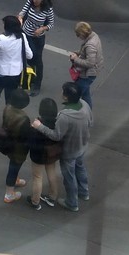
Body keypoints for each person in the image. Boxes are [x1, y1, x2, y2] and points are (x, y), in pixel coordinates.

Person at [28, 81, 92, 211]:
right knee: (80, 168)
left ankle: (72, 202)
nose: (61, 92)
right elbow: (91, 122)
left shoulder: (64, 116)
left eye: (63, 91)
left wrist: (40, 127)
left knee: (69, 177)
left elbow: (56, 135)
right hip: (83, 145)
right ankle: (84, 192)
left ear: (66, 97)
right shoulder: (85, 105)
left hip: (69, 150)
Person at [24, 97, 63, 210]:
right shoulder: (58, 123)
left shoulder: (37, 125)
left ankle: (35, 201)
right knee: (51, 173)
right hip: (51, 154)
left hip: (38, 155)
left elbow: (30, 141)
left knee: (37, 177)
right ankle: (52, 197)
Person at [0, 89, 32, 203]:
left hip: (7, 142)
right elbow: (25, 136)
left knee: (13, 165)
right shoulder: (23, 119)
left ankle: (15, 180)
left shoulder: (7, 108)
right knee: (13, 168)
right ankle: (9, 193)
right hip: (18, 149)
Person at [19, 0, 55, 90]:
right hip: (26, 33)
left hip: (37, 38)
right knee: (26, 56)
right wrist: (20, 17)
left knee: (37, 59)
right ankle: (26, 76)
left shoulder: (48, 9)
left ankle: (37, 84)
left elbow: (51, 24)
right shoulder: (30, 1)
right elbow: (23, 11)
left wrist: (42, 29)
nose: (34, 0)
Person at [68, 21, 102, 107]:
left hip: (87, 74)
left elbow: (90, 63)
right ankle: (88, 113)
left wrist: (75, 59)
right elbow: (86, 52)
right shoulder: (94, 36)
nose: (78, 37)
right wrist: (78, 52)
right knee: (85, 94)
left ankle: (74, 114)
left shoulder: (90, 45)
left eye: (78, 35)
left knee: (76, 95)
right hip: (93, 71)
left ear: (82, 34)